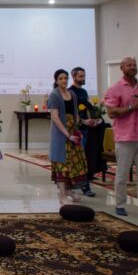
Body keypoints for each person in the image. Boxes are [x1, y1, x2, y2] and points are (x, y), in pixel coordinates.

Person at [103, 57, 138, 222]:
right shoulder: (115, 88)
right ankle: (120, 205)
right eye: (129, 65)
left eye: (135, 65)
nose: (133, 67)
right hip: (125, 137)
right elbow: (111, 113)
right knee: (122, 174)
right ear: (122, 68)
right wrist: (131, 107)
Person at [48, 69, 88, 205]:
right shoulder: (54, 95)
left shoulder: (72, 94)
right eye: (60, 78)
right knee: (62, 165)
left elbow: (75, 112)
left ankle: (69, 190)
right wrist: (68, 135)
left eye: (65, 78)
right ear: (56, 80)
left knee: (74, 162)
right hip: (61, 134)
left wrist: (77, 129)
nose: (64, 80)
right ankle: (62, 195)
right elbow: (55, 117)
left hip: (72, 130)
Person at [70, 67, 99, 197]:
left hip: (86, 129)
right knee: (78, 158)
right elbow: (72, 113)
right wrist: (83, 121)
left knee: (85, 157)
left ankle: (83, 183)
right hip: (76, 129)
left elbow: (86, 109)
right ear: (74, 77)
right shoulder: (71, 92)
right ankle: (83, 186)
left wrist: (92, 120)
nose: (83, 78)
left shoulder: (83, 91)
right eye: (80, 76)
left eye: (84, 76)